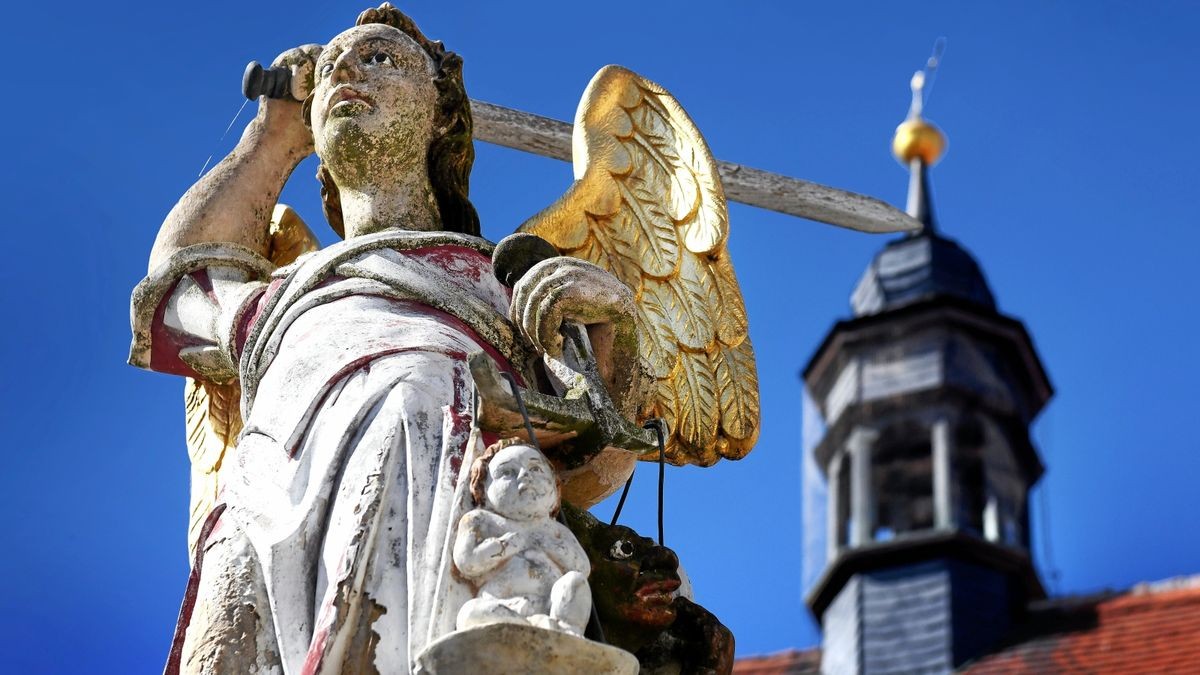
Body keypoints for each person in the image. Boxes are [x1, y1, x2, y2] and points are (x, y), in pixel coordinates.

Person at [129, 5, 638, 673]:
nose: (347, 71)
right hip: (262, 512)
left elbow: (598, 448)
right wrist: (276, 133)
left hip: (432, 535)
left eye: (381, 59)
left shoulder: (500, 279)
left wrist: (612, 322)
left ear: (445, 114)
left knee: (411, 394)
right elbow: (182, 288)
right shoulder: (291, 291)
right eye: (336, 65)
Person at [454, 443, 592, 636]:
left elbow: (581, 568)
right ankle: (521, 625)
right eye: (507, 472)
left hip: (551, 605)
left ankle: (568, 630)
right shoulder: (481, 520)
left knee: (575, 582)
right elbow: (467, 562)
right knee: (469, 613)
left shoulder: (555, 530)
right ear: (483, 488)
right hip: (501, 603)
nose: (524, 476)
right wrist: (504, 546)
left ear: (555, 488)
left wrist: (552, 546)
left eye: (535, 468)